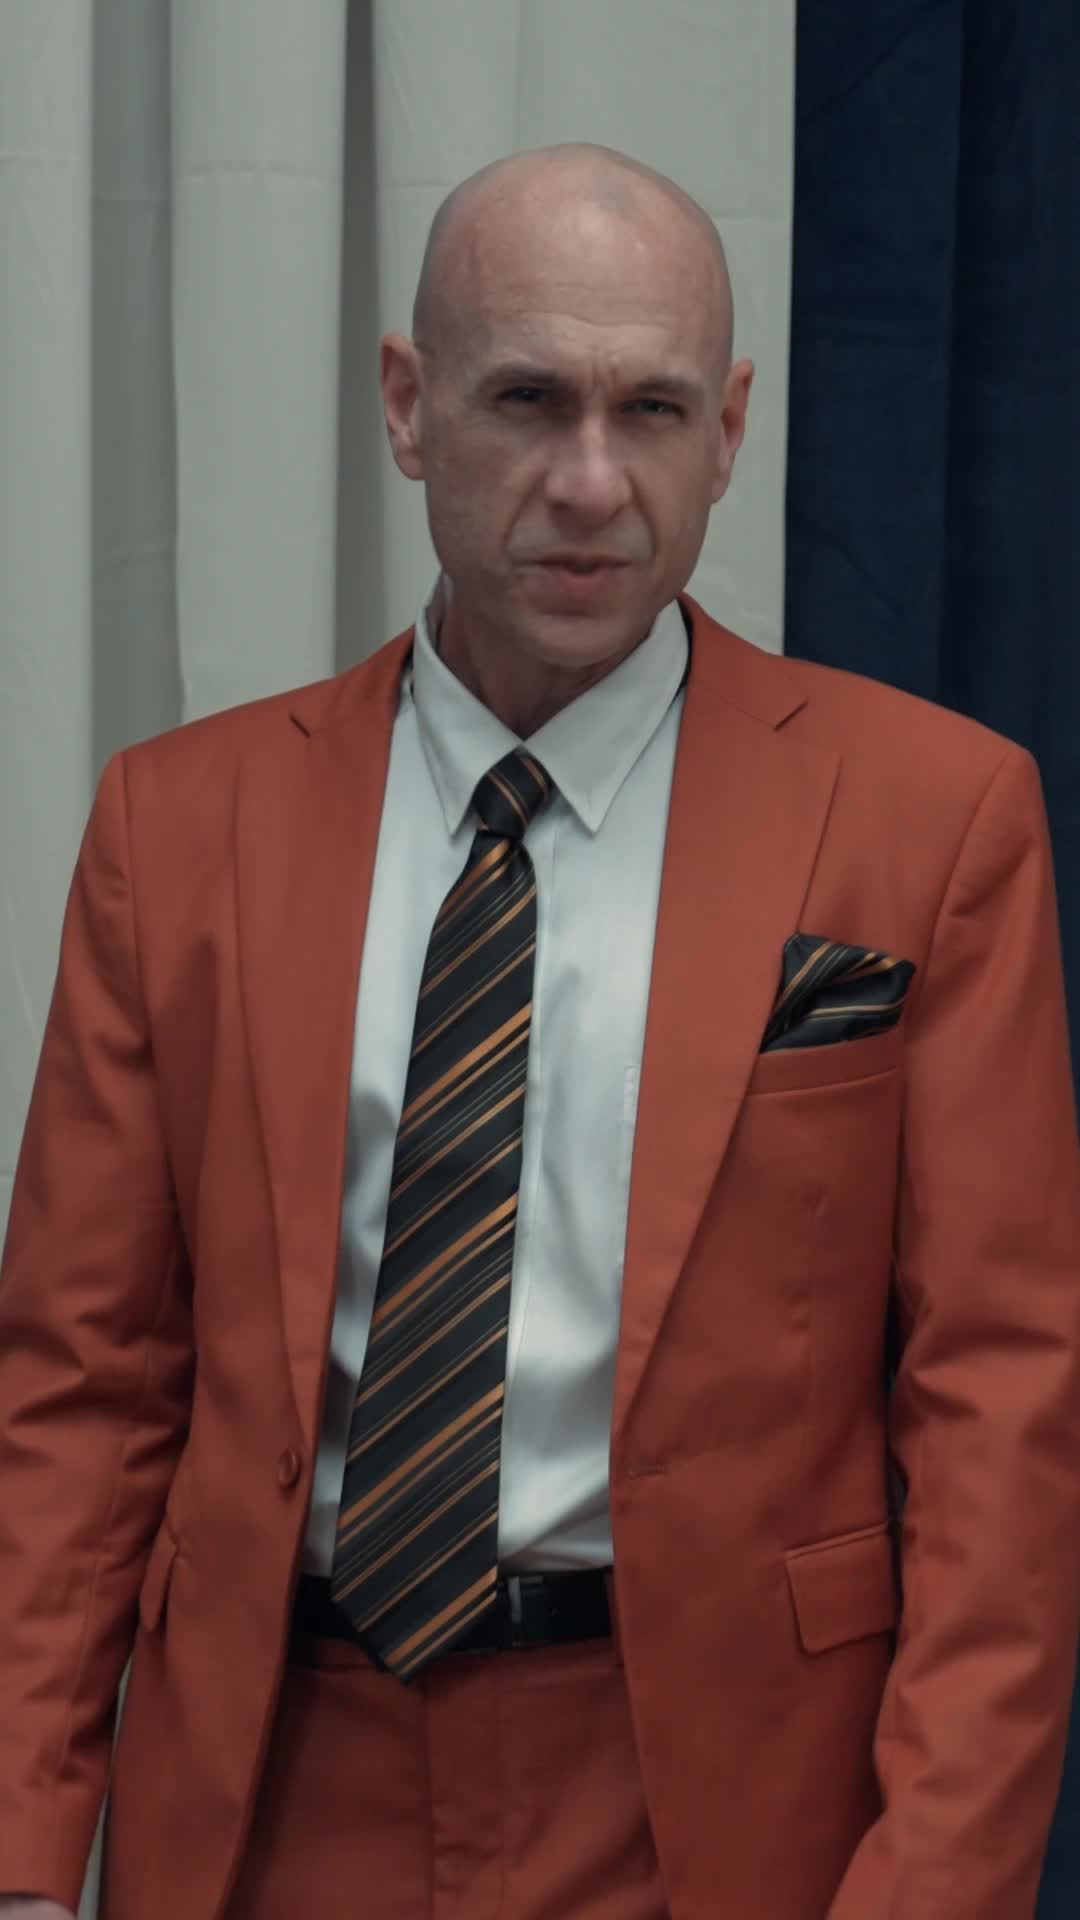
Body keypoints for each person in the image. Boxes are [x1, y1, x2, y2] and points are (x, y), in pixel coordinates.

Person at [0, 140, 1078, 1920]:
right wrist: (25, 1853)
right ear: (408, 408)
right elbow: (81, 1385)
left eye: (651, 410)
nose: (591, 482)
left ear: (730, 431)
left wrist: (934, 1891)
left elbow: (1001, 1418)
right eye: (527, 400)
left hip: (719, 1798)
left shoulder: (933, 820)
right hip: (272, 1782)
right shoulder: (177, 830)